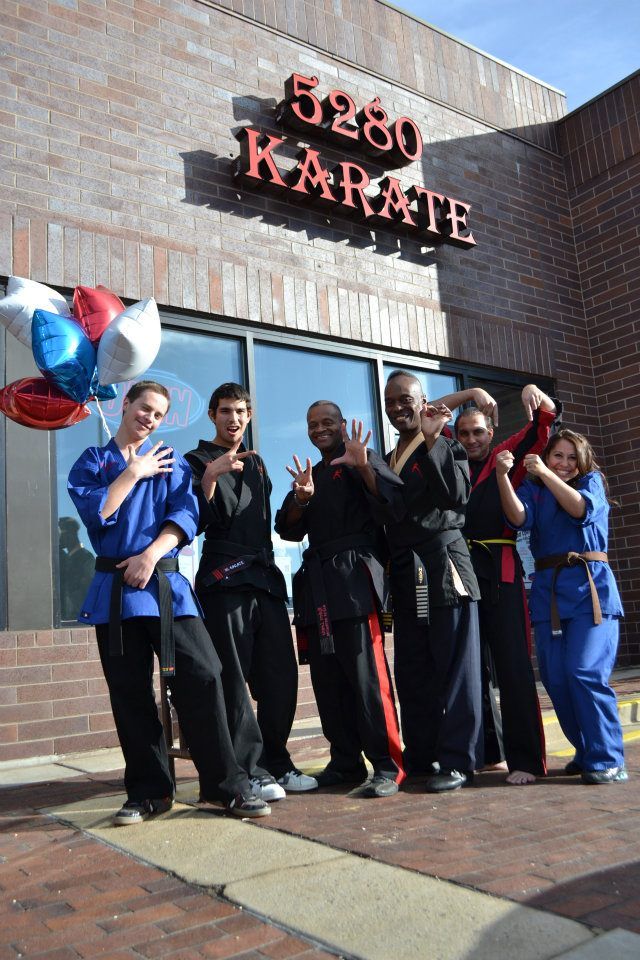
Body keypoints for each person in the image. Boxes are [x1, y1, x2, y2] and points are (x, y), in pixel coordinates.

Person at [67, 380, 271, 825]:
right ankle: (148, 791)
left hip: (165, 588)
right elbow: (98, 515)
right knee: (130, 694)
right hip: (115, 596)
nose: (149, 419)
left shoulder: (172, 462)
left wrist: (150, 555)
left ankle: (226, 785)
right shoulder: (92, 462)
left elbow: (187, 515)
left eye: (158, 415)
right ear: (126, 406)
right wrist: (133, 473)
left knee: (204, 675)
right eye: (145, 409)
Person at [185, 383, 317, 798]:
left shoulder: (257, 463)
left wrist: (299, 500)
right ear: (212, 415)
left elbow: (278, 527)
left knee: (281, 676)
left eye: (241, 411)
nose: (234, 418)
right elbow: (191, 523)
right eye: (226, 410)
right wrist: (208, 479)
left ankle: (277, 761)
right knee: (234, 681)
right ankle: (250, 769)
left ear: (250, 415)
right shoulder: (195, 460)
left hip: (265, 578)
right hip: (224, 579)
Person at [274, 402, 405, 798]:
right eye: (312, 424)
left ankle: (388, 764)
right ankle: (345, 761)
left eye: (327, 422)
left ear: (343, 424)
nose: (320, 429)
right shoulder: (311, 474)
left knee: (367, 678)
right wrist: (301, 498)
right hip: (319, 587)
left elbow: (393, 507)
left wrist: (363, 467)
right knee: (329, 680)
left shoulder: (364, 458)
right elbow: (287, 530)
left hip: (356, 582)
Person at [496, 429, 627, 785]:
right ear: (547, 456)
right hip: (549, 594)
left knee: (584, 672)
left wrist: (547, 473)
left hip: (591, 591)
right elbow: (519, 517)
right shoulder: (535, 490)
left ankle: (608, 757)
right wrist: (502, 478)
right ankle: (586, 750)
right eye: (558, 456)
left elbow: (580, 509)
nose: (565, 463)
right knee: (556, 679)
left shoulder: (591, 483)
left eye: (572, 457)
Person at [443, 384, 559, 785]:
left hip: (504, 574)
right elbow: (433, 411)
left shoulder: (504, 457)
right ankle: (487, 753)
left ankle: (526, 760)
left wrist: (530, 388)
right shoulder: (450, 457)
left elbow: (544, 421)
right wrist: (472, 391)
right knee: (472, 670)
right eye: (464, 433)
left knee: (512, 668)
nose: (471, 440)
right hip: (461, 574)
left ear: (491, 432)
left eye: (478, 432)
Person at [383, 370, 482, 793]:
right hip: (407, 572)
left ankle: (459, 760)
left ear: (423, 402)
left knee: (457, 668)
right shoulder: (388, 458)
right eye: (392, 401)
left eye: (407, 399)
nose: (399, 407)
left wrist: (432, 438)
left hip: (445, 565)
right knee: (414, 669)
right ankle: (423, 755)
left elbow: (456, 496)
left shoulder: (445, 442)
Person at [58, 516, 95, 621]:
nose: (59, 538)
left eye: (61, 534)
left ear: (70, 535)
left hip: (77, 618)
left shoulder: (86, 558)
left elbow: (88, 591)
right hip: (67, 616)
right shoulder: (66, 558)